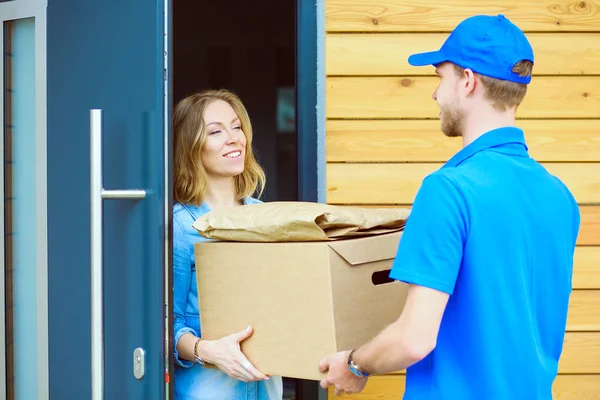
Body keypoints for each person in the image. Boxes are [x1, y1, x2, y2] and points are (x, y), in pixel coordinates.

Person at [319, 14, 580, 400]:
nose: (436, 95)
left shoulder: (449, 189)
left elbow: (413, 339)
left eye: (441, 78)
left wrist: (354, 364)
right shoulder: (560, 196)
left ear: (469, 81)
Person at [172, 89, 283, 400]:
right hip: (208, 391)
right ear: (192, 147)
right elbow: (168, 324)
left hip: (267, 388)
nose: (234, 138)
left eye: (236, 127)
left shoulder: (268, 217)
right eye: (216, 131)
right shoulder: (181, 226)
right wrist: (210, 351)